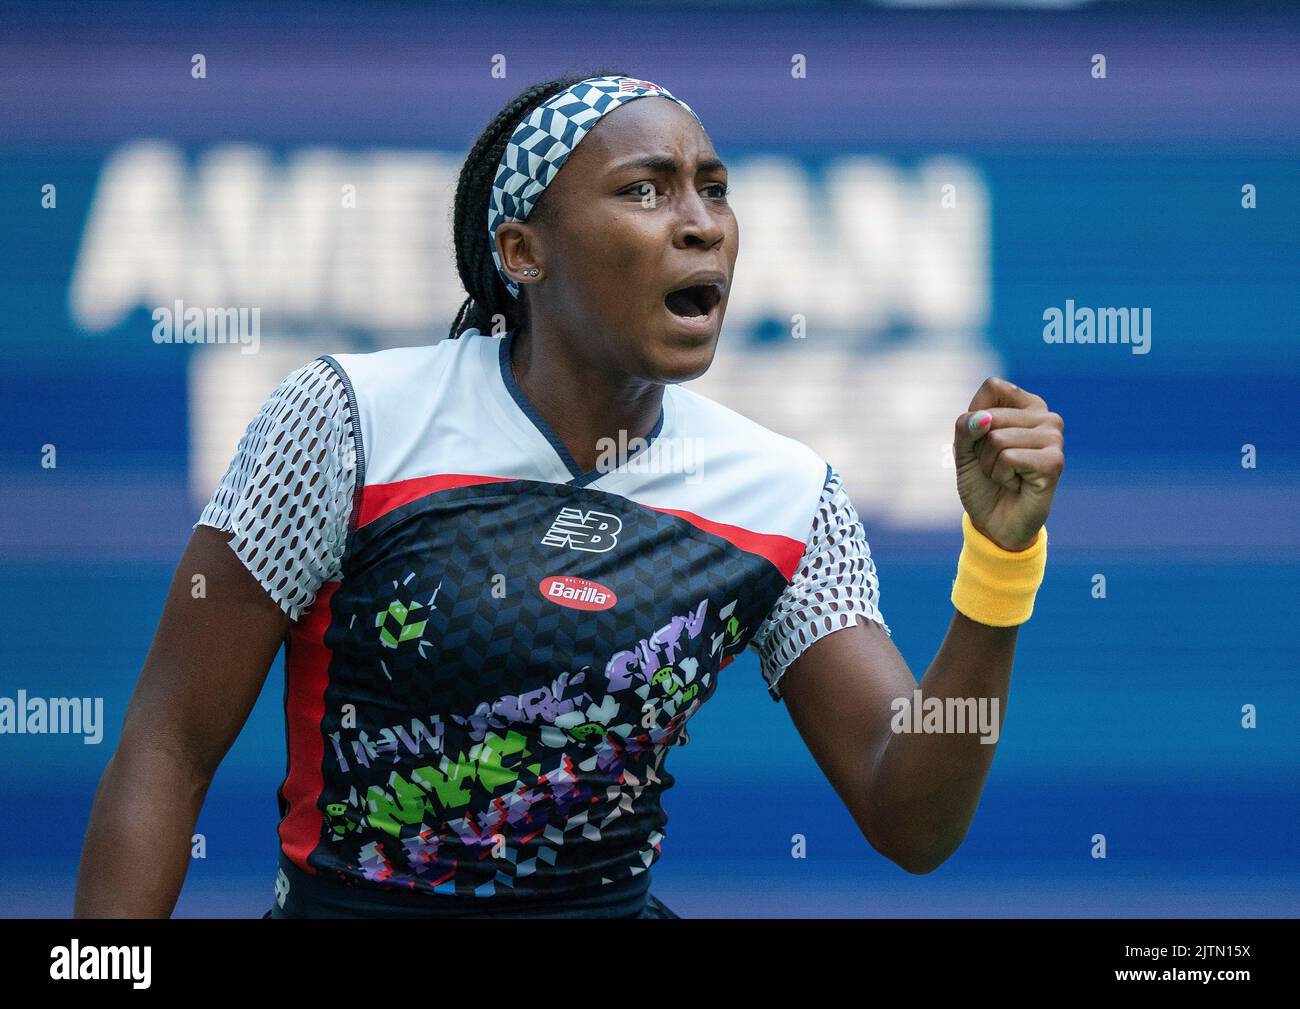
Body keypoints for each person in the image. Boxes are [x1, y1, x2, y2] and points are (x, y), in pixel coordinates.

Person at [74, 70, 1064, 919]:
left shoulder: (785, 495)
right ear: (521, 252)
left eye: (713, 191)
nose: (701, 225)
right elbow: (168, 746)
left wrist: (1000, 565)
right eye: (646, 190)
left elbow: (912, 815)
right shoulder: (347, 420)